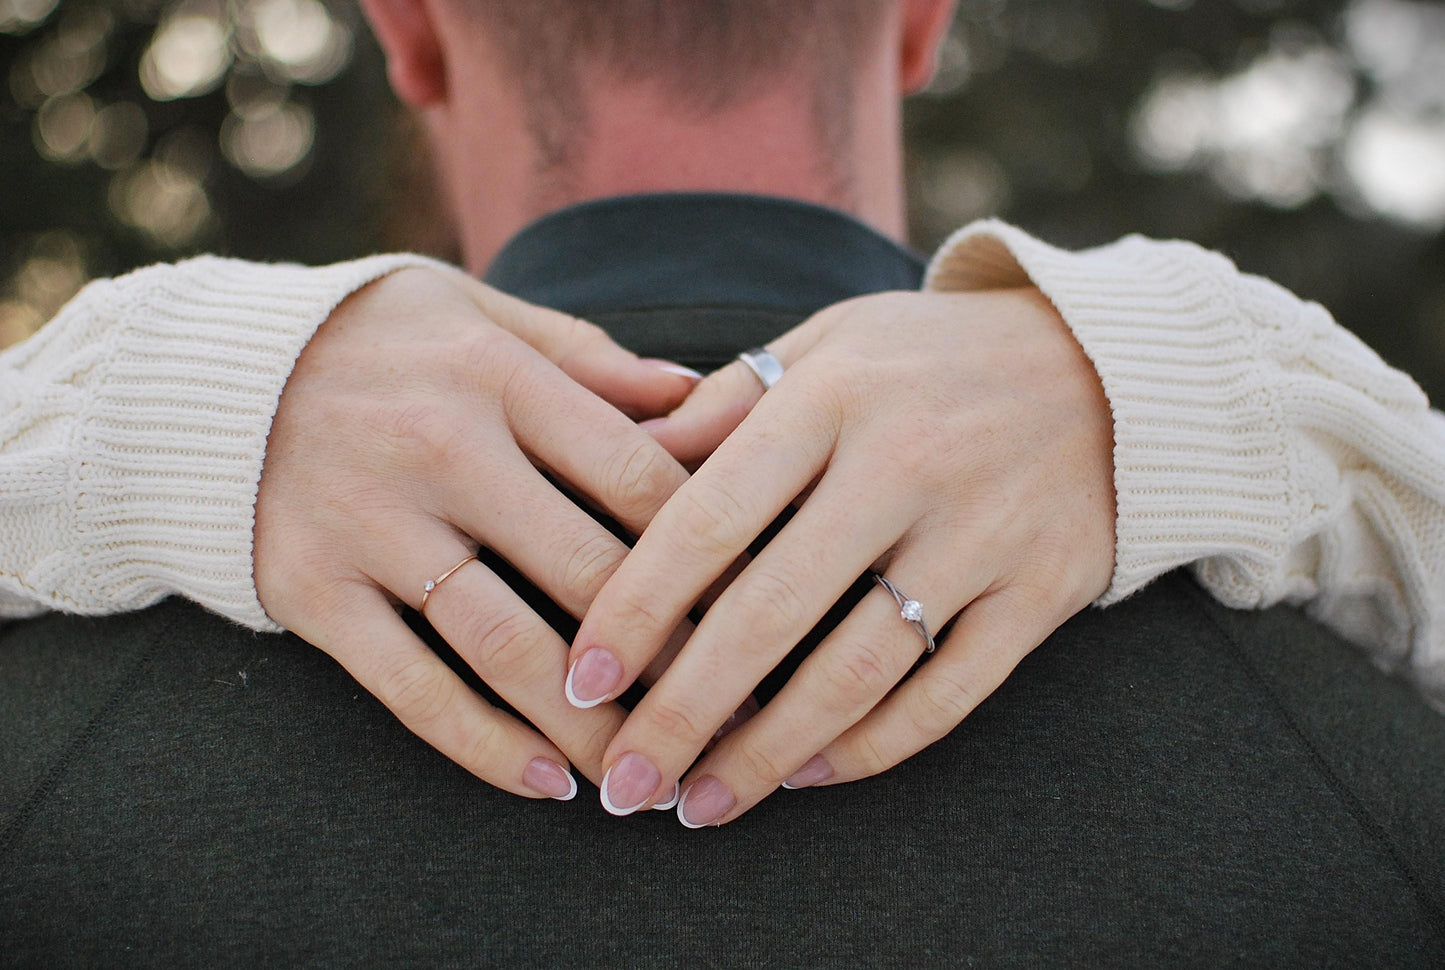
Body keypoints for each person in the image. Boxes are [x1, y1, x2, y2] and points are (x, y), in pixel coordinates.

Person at [2, 1, 1442, 960]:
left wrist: (154, 394)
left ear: (410, 31)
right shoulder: (1376, 786)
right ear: (922, 21)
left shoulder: (53, 764)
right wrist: (1211, 383)